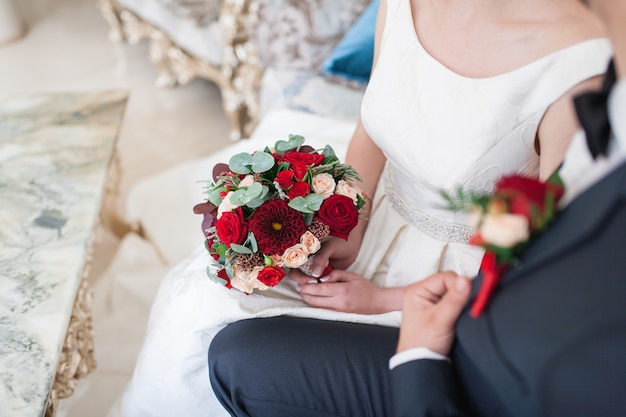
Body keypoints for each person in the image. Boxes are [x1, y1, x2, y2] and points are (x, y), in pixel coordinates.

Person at [117, 0, 612, 415]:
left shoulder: (579, 62)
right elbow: (374, 125)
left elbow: (541, 270)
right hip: (380, 222)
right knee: (195, 299)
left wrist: (384, 301)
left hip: (462, 283)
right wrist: (350, 220)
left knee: (246, 347)